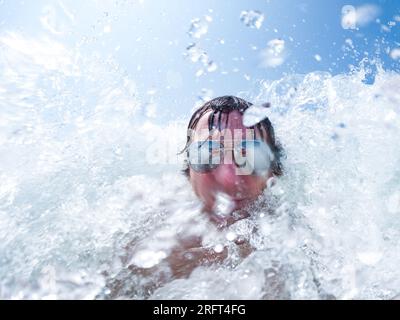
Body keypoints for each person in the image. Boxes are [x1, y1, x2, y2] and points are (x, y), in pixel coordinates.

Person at [181, 95, 283, 228]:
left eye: (251, 157)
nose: (229, 178)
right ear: (188, 171)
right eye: (207, 155)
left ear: (273, 171)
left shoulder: (299, 235)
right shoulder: (158, 234)